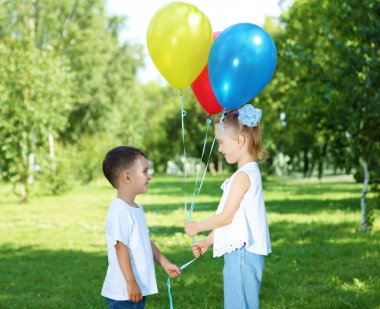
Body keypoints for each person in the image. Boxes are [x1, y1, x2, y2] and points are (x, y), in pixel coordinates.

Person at [185, 104, 271, 309]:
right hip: (243, 252)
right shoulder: (248, 173)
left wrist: (198, 227)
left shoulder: (243, 177)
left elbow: (226, 218)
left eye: (221, 142)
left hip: (242, 254)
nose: (220, 148)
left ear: (239, 140)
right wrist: (207, 241)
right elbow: (237, 221)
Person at [101, 146, 181, 309]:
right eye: (145, 171)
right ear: (127, 177)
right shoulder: (119, 209)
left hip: (136, 288)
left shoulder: (136, 208)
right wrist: (130, 283)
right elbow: (120, 247)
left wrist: (165, 263)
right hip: (125, 291)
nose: (149, 176)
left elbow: (145, 241)